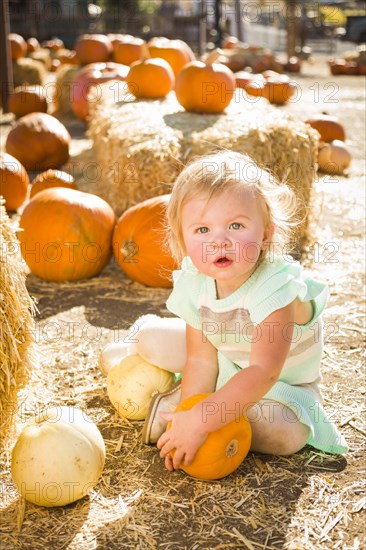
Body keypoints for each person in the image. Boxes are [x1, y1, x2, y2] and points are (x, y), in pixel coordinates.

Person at [126, 151, 348, 472]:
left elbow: (263, 371)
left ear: (265, 234)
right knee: (149, 340)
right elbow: (201, 360)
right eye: (202, 230)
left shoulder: (275, 286)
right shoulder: (196, 280)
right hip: (225, 359)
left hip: (279, 384)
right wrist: (193, 411)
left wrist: (201, 421)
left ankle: (208, 412)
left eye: (235, 225)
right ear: (183, 240)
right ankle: (185, 399)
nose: (220, 241)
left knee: (286, 435)